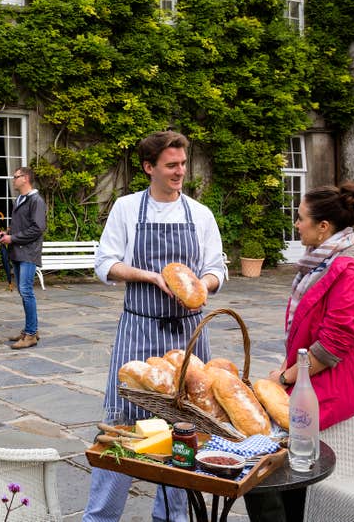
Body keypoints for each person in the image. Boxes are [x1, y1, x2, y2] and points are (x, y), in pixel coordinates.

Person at [86, 130, 226, 522]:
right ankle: (100, 517)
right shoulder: (127, 209)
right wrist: (149, 277)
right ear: (149, 168)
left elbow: (217, 268)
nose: (180, 171)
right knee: (122, 426)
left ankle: (172, 518)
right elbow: (104, 264)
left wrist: (201, 285)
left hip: (189, 334)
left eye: (183, 164)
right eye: (171, 165)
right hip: (139, 330)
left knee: (186, 428)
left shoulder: (200, 214)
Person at [244, 181, 354, 522]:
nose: (296, 224)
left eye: (301, 218)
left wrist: (283, 377)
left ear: (324, 227)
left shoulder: (352, 273)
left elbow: (330, 348)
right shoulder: (321, 262)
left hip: (336, 382)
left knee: (255, 453)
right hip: (310, 375)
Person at [0, 167, 46, 350]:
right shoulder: (20, 199)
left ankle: (31, 335)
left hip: (29, 253)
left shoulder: (36, 201)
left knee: (26, 291)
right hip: (17, 251)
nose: (13, 180)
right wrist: (6, 233)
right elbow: (22, 225)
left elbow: (37, 228)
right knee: (23, 291)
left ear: (25, 178)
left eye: (16, 177)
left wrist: (13, 238)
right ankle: (29, 330)